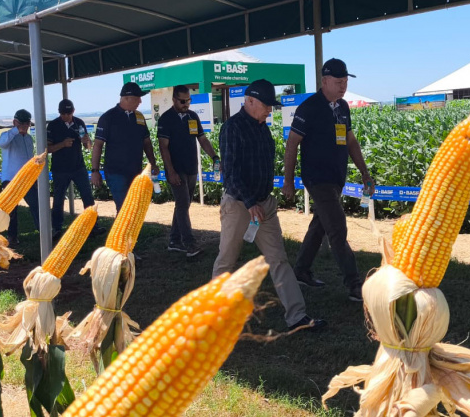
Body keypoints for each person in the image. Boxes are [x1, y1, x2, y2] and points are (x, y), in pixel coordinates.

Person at [213, 79, 326, 333]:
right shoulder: (232, 128)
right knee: (226, 261)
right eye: (266, 105)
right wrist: (251, 202)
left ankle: (297, 317)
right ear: (250, 101)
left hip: (264, 204)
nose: (269, 111)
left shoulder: (263, 129)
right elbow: (229, 173)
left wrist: (264, 199)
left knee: (279, 259)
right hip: (239, 206)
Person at [283, 59, 375, 302]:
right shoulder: (308, 108)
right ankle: (355, 284)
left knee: (320, 225)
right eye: (338, 82)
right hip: (317, 179)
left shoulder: (343, 107)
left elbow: (351, 142)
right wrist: (288, 181)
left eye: (345, 81)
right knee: (337, 227)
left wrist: (365, 172)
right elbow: (292, 145)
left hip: (336, 179)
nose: (343, 86)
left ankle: (301, 271)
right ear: (324, 81)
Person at [157, 85, 219, 258]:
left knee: (183, 205)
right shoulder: (166, 119)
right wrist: (171, 171)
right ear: (174, 99)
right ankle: (189, 243)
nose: (186, 104)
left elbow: (202, 139)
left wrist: (214, 157)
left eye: (188, 101)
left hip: (192, 168)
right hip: (176, 170)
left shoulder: (193, 116)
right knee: (183, 204)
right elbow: (164, 148)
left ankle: (174, 241)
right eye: (183, 101)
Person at [91, 82, 159, 212]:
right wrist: (95, 171)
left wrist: (153, 164)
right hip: (115, 172)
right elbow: (98, 145)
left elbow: (147, 143)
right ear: (126, 98)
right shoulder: (108, 117)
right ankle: (122, 233)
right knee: (124, 209)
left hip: (135, 171)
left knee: (134, 208)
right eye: (137, 98)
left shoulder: (139, 116)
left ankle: (129, 233)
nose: (140, 101)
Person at [47, 99, 98, 239]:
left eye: (68, 113)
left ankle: (93, 225)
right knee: (58, 200)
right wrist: (62, 144)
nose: (66, 116)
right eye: (63, 113)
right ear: (59, 112)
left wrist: (87, 141)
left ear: (73, 111)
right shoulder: (52, 125)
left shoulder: (79, 123)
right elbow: (47, 148)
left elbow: (89, 147)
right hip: (59, 169)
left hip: (78, 167)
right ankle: (57, 228)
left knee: (87, 196)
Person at [0, 109, 40, 246]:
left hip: (27, 179)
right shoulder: (7, 136)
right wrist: (16, 130)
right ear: (14, 123)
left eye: (27, 124)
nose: (24, 127)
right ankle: (12, 236)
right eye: (21, 124)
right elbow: (2, 143)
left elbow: (29, 158)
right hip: (10, 179)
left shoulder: (28, 139)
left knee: (36, 205)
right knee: (11, 210)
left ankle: (44, 231)